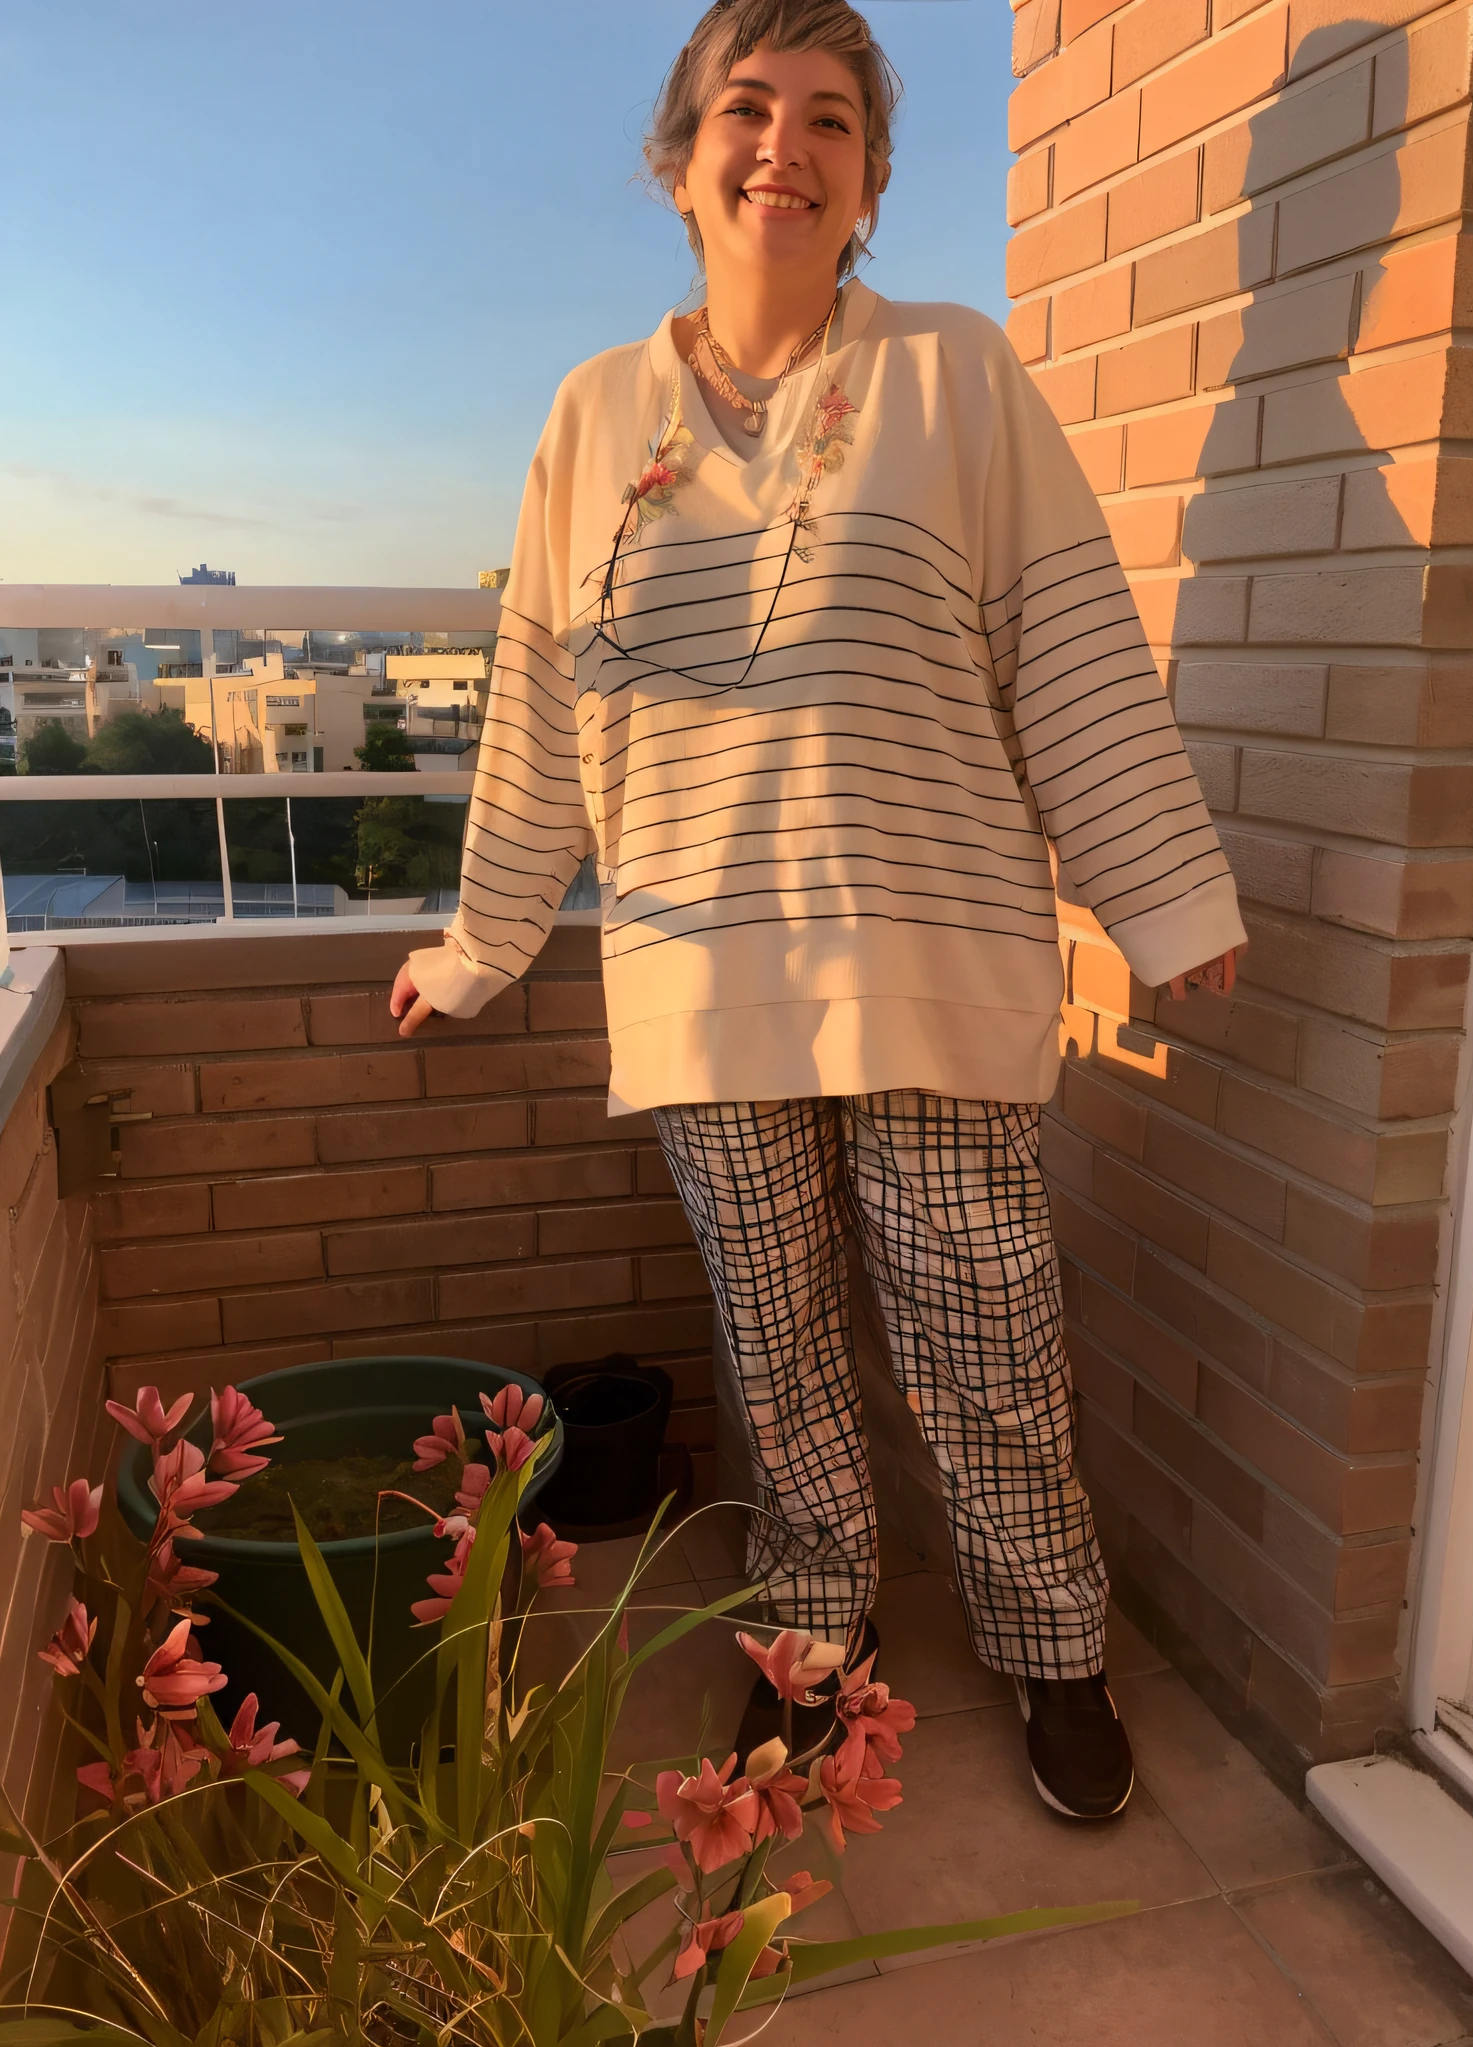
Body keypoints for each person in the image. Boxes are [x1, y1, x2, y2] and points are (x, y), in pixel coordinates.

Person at [391, 0, 1245, 1823]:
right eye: (749, 108)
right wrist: (479, 945)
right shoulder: (592, 413)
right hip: (700, 971)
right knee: (776, 1344)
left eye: (833, 120)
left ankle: (1052, 1641)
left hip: (926, 952)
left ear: (868, 181)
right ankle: (811, 1633)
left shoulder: (954, 378)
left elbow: (1071, 646)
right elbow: (544, 697)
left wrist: (1161, 896)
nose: (787, 145)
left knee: (984, 1326)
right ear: (680, 154)